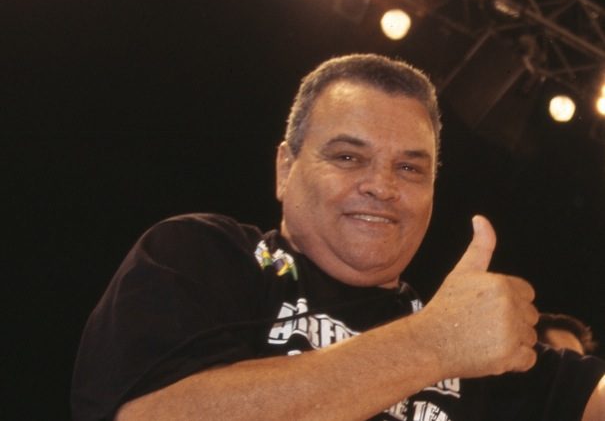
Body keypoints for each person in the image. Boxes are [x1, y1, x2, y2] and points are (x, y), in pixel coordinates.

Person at [72, 54, 605, 421]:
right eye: (348, 157)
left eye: (410, 168)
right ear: (286, 168)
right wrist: (431, 345)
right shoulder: (201, 256)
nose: (382, 186)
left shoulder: (483, 350)